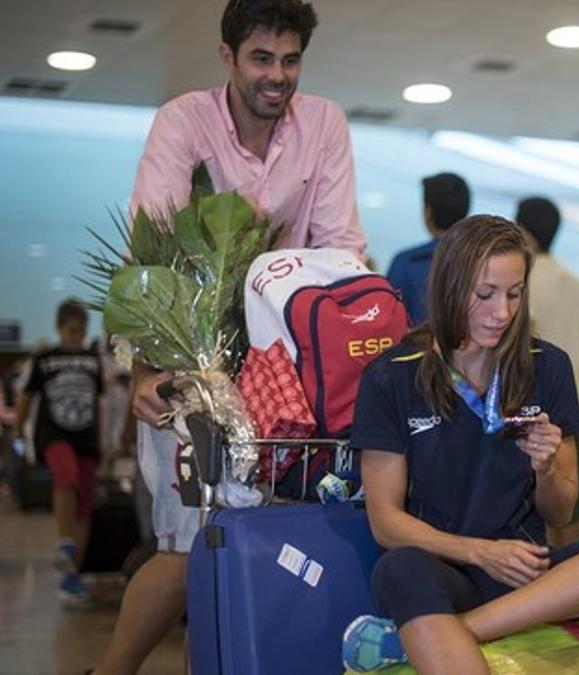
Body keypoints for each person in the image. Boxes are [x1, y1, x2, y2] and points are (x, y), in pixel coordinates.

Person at [96, 1, 367, 672]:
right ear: (227, 57)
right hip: (191, 360)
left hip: (287, 372)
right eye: (261, 58)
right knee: (189, 547)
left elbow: (340, 251)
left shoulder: (325, 124)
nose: (278, 76)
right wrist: (142, 375)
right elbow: (149, 256)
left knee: (256, 543)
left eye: (291, 59)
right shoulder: (183, 123)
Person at [341, 216, 579, 674]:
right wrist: (481, 553)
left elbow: (560, 512)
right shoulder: (392, 376)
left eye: (514, 294)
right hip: (447, 572)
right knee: (399, 569)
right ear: (449, 286)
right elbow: (386, 521)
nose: (501, 313)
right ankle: (466, 623)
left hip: (529, 573)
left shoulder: (548, 367)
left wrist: (546, 468)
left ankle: (453, 632)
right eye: (485, 295)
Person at [513, 196, 579, 546]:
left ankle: (551, 590)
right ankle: (575, 586)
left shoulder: (526, 279)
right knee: (570, 503)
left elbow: (525, 339)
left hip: (534, 405)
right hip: (577, 402)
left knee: (540, 506)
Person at [15, 300, 103, 606]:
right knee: (66, 476)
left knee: (85, 504)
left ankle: (72, 573)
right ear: (60, 328)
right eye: (71, 330)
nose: (76, 336)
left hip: (86, 436)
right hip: (54, 434)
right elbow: (27, 397)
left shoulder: (94, 361)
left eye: (81, 330)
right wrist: (17, 429)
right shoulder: (46, 359)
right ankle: (65, 543)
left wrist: (112, 438)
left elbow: (100, 402)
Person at [386, 172, 471, 324]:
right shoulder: (480, 258)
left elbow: (389, 317)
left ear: (428, 212)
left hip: (416, 346)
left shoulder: (406, 262)